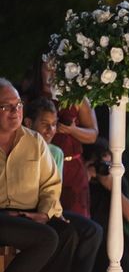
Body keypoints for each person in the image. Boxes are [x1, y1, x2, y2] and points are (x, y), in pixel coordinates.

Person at [0, 78, 75, 272]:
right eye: (6, 107)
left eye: (18, 105)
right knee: (46, 238)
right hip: (2, 217)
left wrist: (43, 212)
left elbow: (51, 184)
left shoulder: (34, 141)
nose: (15, 111)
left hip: (28, 213)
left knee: (65, 233)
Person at [23, 97, 103, 272]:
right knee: (64, 234)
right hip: (24, 209)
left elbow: (52, 190)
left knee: (90, 230)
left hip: (47, 209)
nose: (50, 130)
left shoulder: (55, 152)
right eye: (45, 124)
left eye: (54, 125)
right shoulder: (21, 146)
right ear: (29, 124)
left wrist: (51, 212)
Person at [25, 57, 98, 217]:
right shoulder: (30, 98)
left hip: (72, 167)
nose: (52, 73)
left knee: (78, 220)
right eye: (48, 68)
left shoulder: (76, 97)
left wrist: (72, 130)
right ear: (40, 70)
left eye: (56, 68)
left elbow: (93, 134)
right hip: (41, 164)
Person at [83, 138, 129, 272]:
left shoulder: (117, 181)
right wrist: (84, 176)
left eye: (106, 157)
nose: (102, 163)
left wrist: (112, 187)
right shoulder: (81, 177)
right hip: (88, 237)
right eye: (97, 159)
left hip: (111, 238)